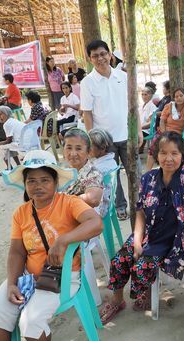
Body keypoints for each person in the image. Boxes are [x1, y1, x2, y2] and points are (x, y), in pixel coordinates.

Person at [0, 150, 102, 341]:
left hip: (63, 278)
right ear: (25, 185)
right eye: (31, 181)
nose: (38, 186)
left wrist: (64, 239)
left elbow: (95, 223)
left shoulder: (69, 202)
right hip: (28, 277)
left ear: (55, 182)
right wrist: (12, 283)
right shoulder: (21, 213)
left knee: (29, 321)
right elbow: (16, 252)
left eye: (45, 179)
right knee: (0, 307)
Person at [99, 132, 184, 323]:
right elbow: (141, 212)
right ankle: (118, 300)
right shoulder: (148, 179)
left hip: (174, 238)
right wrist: (136, 240)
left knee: (142, 266)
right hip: (149, 232)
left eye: (174, 153)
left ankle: (144, 294)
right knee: (119, 260)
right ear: (156, 154)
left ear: (182, 155)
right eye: (163, 153)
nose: (168, 158)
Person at [80, 40, 130, 220]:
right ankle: (121, 206)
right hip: (104, 141)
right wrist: (91, 141)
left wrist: (137, 130)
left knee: (134, 173)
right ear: (90, 59)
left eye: (103, 54)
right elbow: (87, 113)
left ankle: (141, 204)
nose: (100, 58)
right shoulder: (88, 82)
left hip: (127, 135)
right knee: (112, 177)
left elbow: (132, 106)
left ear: (110, 55)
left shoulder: (122, 77)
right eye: (95, 56)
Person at [146, 87, 184, 170]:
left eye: (181, 96)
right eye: (176, 96)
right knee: (154, 146)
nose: (179, 98)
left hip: (178, 134)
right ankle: (148, 171)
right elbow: (162, 121)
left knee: (173, 148)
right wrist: (164, 134)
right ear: (174, 98)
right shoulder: (169, 106)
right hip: (164, 132)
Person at [63, 128, 103, 208]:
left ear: (88, 152)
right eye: (69, 148)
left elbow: (93, 199)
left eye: (78, 149)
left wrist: (62, 202)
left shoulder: (93, 174)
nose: (73, 153)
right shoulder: (64, 171)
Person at [88, 128, 118, 217]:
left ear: (103, 147)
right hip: (108, 204)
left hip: (99, 209)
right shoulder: (111, 161)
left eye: (90, 146)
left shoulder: (99, 168)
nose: (88, 149)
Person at [0, 106, 24, 171]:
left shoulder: (6, 124)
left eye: (1, 114)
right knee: (8, 146)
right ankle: (18, 165)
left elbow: (9, 140)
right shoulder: (14, 120)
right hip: (22, 142)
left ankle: (9, 168)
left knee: (1, 148)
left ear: (7, 114)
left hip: (19, 144)